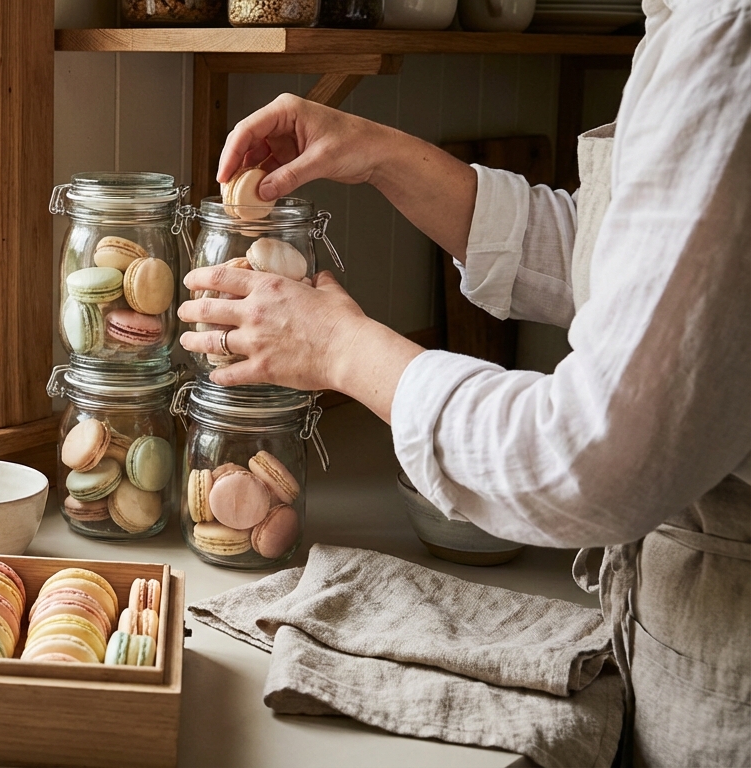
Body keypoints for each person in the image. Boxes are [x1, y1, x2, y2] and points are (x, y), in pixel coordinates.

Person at [177, 0, 751, 764]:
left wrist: (343, 351)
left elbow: (593, 455)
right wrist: (380, 154)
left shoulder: (728, 35)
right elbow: (636, 263)